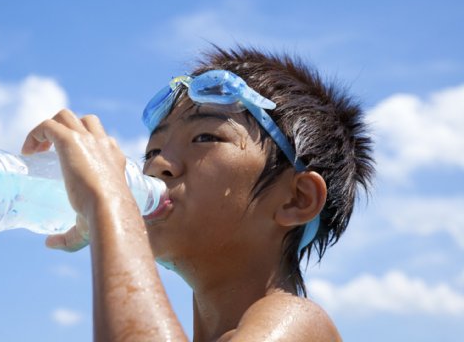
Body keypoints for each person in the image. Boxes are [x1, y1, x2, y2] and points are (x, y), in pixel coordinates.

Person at [21, 46, 374, 341]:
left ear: (297, 200)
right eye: (151, 151)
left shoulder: (297, 323)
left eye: (205, 137)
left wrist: (108, 204)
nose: (158, 164)